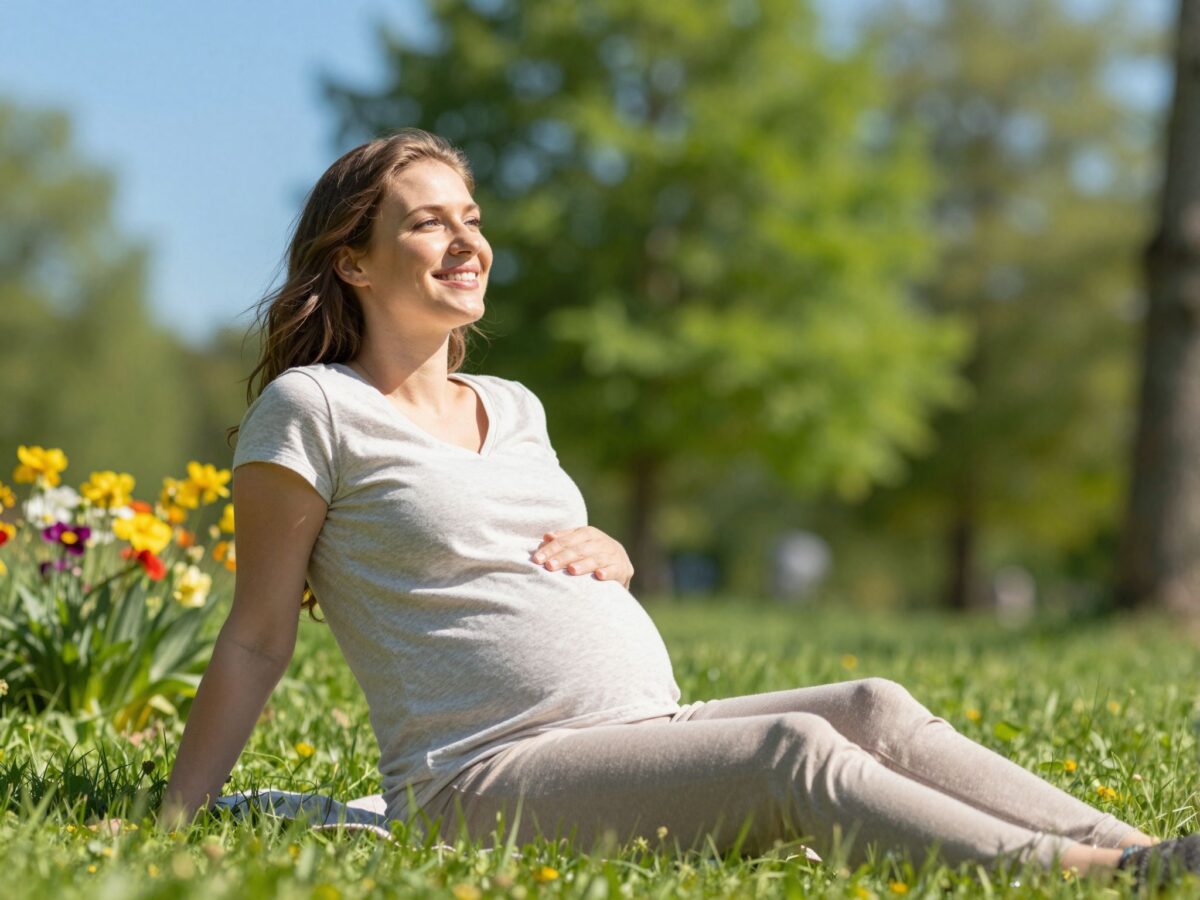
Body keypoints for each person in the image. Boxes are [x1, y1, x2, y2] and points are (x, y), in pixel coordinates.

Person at [160, 129, 1198, 889]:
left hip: (637, 728)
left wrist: (606, 549)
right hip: (484, 779)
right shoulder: (315, 410)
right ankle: (1084, 875)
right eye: (427, 222)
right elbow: (257, 638)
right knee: (790, 753)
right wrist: (178, 814)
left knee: (872, 704)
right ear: (352, 259)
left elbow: (505, 545)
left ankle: (1149, 853)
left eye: (471, 219)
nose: (466, 242)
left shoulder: (515, 406)